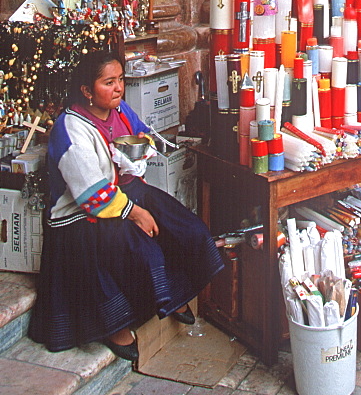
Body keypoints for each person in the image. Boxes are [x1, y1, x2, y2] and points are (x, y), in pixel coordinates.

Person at [29, 50, 223, 361]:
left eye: (120, 79)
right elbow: (91, 195)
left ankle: (173, 293)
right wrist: (136, 213)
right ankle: (113, 324)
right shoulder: (71, 129)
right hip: (79, 216)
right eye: (109, 82)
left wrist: (137, 153)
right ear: (87, 90)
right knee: (143, 249)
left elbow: (142, 134)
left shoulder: (119, 111)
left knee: (186, 227)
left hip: (121, 192)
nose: (119, 87)